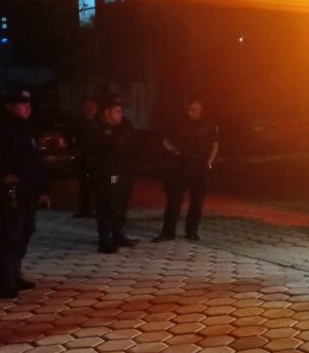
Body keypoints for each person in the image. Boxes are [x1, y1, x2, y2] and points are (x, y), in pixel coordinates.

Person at [0, 88, 50, 299]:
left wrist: (43, 189)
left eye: (29, 104)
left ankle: (16, 274)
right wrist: (0, 176)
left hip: (28, 190)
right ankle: (5, 280)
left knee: (26, 229)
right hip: (8, 191)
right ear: (9, 105)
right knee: (9, 232)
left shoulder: (27, 127)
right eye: (22, 104)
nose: (27, 108)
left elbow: (36, 161)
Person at [153, 98, 219, 242]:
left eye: (194, 110)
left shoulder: (208, 124)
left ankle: (192, 231)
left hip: (199, 165)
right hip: (181, 165)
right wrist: (172, 150)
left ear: (201, 110)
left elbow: (215, 144)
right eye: (189, 109)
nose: (190, 112)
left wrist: (209, 163)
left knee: (197, 200)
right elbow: (165, 140)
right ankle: (168, 232)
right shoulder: (178, 122)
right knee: (174, 200)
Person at [92, 97, 139, 253]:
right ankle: (104, 241)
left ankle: (119, 236)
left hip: (125, 172)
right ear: (107, 112)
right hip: (108, 174)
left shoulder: (125, 126)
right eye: (117, 111)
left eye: (121, 111)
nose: (121, 114)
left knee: (122, 206)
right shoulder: (99, 129)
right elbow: (98, 153)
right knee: (107, 206)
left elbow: (134, 145)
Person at [70, 98, 100, 218]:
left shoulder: (99, 123)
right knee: (84, 186)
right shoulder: (78, 122)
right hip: (83, 159)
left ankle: (98, 209)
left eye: (92, 107)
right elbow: (68, 134)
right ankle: (85, 210)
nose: (90, 109)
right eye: (88, 107)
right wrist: (74, 147)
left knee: (97, 186)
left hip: (96, 159)